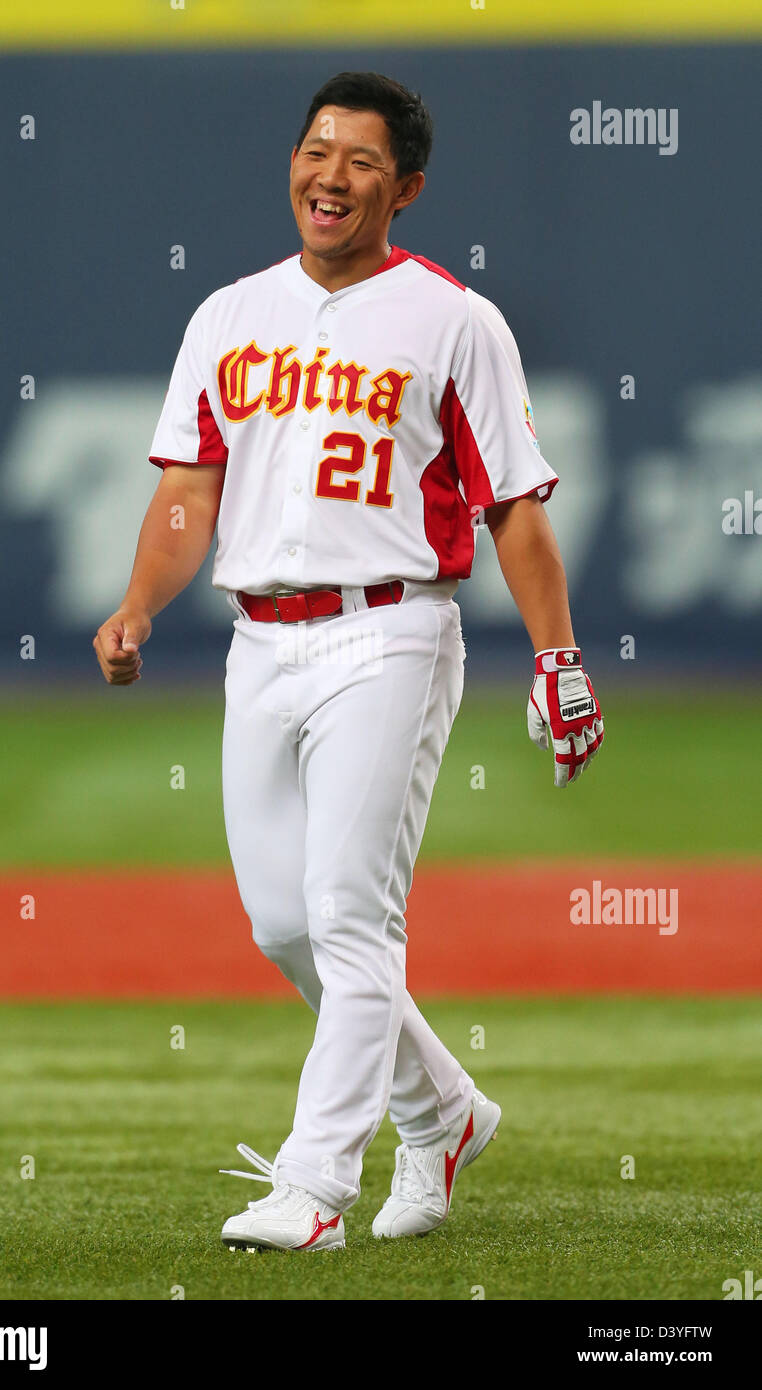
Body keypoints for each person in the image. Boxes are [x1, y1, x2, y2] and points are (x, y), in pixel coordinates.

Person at [93, 71, 604, 1251]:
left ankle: (315, 1186)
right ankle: (443, 1115)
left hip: (392, 627)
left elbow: (513, 506)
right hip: (257, 639)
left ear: (405, 188)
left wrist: (557, 658)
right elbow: (189, 489)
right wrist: (135, 604)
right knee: (282, 925)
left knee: (349, 916)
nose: (328, 175)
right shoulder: (227, 313)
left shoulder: (452, 319)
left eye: (360, 160)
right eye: (315, 149)